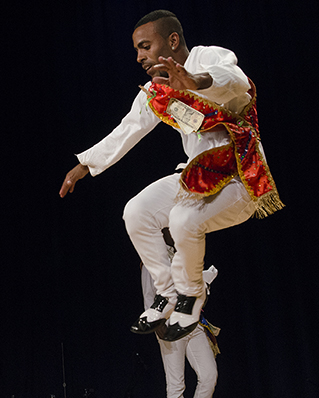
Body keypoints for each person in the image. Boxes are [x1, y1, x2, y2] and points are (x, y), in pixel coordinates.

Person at [59, 10, 283, 342]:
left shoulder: (207, 58)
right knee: (136, 213)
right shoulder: (157, 89)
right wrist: (86, 165)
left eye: (145, 46)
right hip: (197, 178)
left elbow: (236, 83)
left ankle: (192, 295)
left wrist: (196, 82)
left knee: (181, 219)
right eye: (137, 49)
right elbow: (129, 128)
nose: (139, 57)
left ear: (172, 40)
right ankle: (167, 293)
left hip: (240, 178)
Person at [140, 231, 221, 398]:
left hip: (192, 323)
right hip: (169, 327)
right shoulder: (152, 261)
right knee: (176, 384)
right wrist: (158, 327)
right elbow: (149, 298)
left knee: (209, 375)